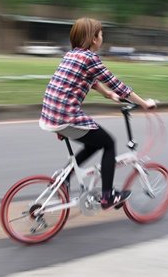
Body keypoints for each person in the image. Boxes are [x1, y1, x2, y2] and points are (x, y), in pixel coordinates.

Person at [39, 17, 156, 210]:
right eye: (101, 34)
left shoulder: (72, 55)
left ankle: (64, 179)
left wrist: (108, 94)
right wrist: (144, 104)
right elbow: (117, 84)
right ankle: (108, 197)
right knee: (109, 143)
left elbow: (91, 80)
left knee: (94, 144)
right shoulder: (90, 58)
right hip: (65, 117)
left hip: (50, 116)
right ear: (94, 39)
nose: (102, 37)